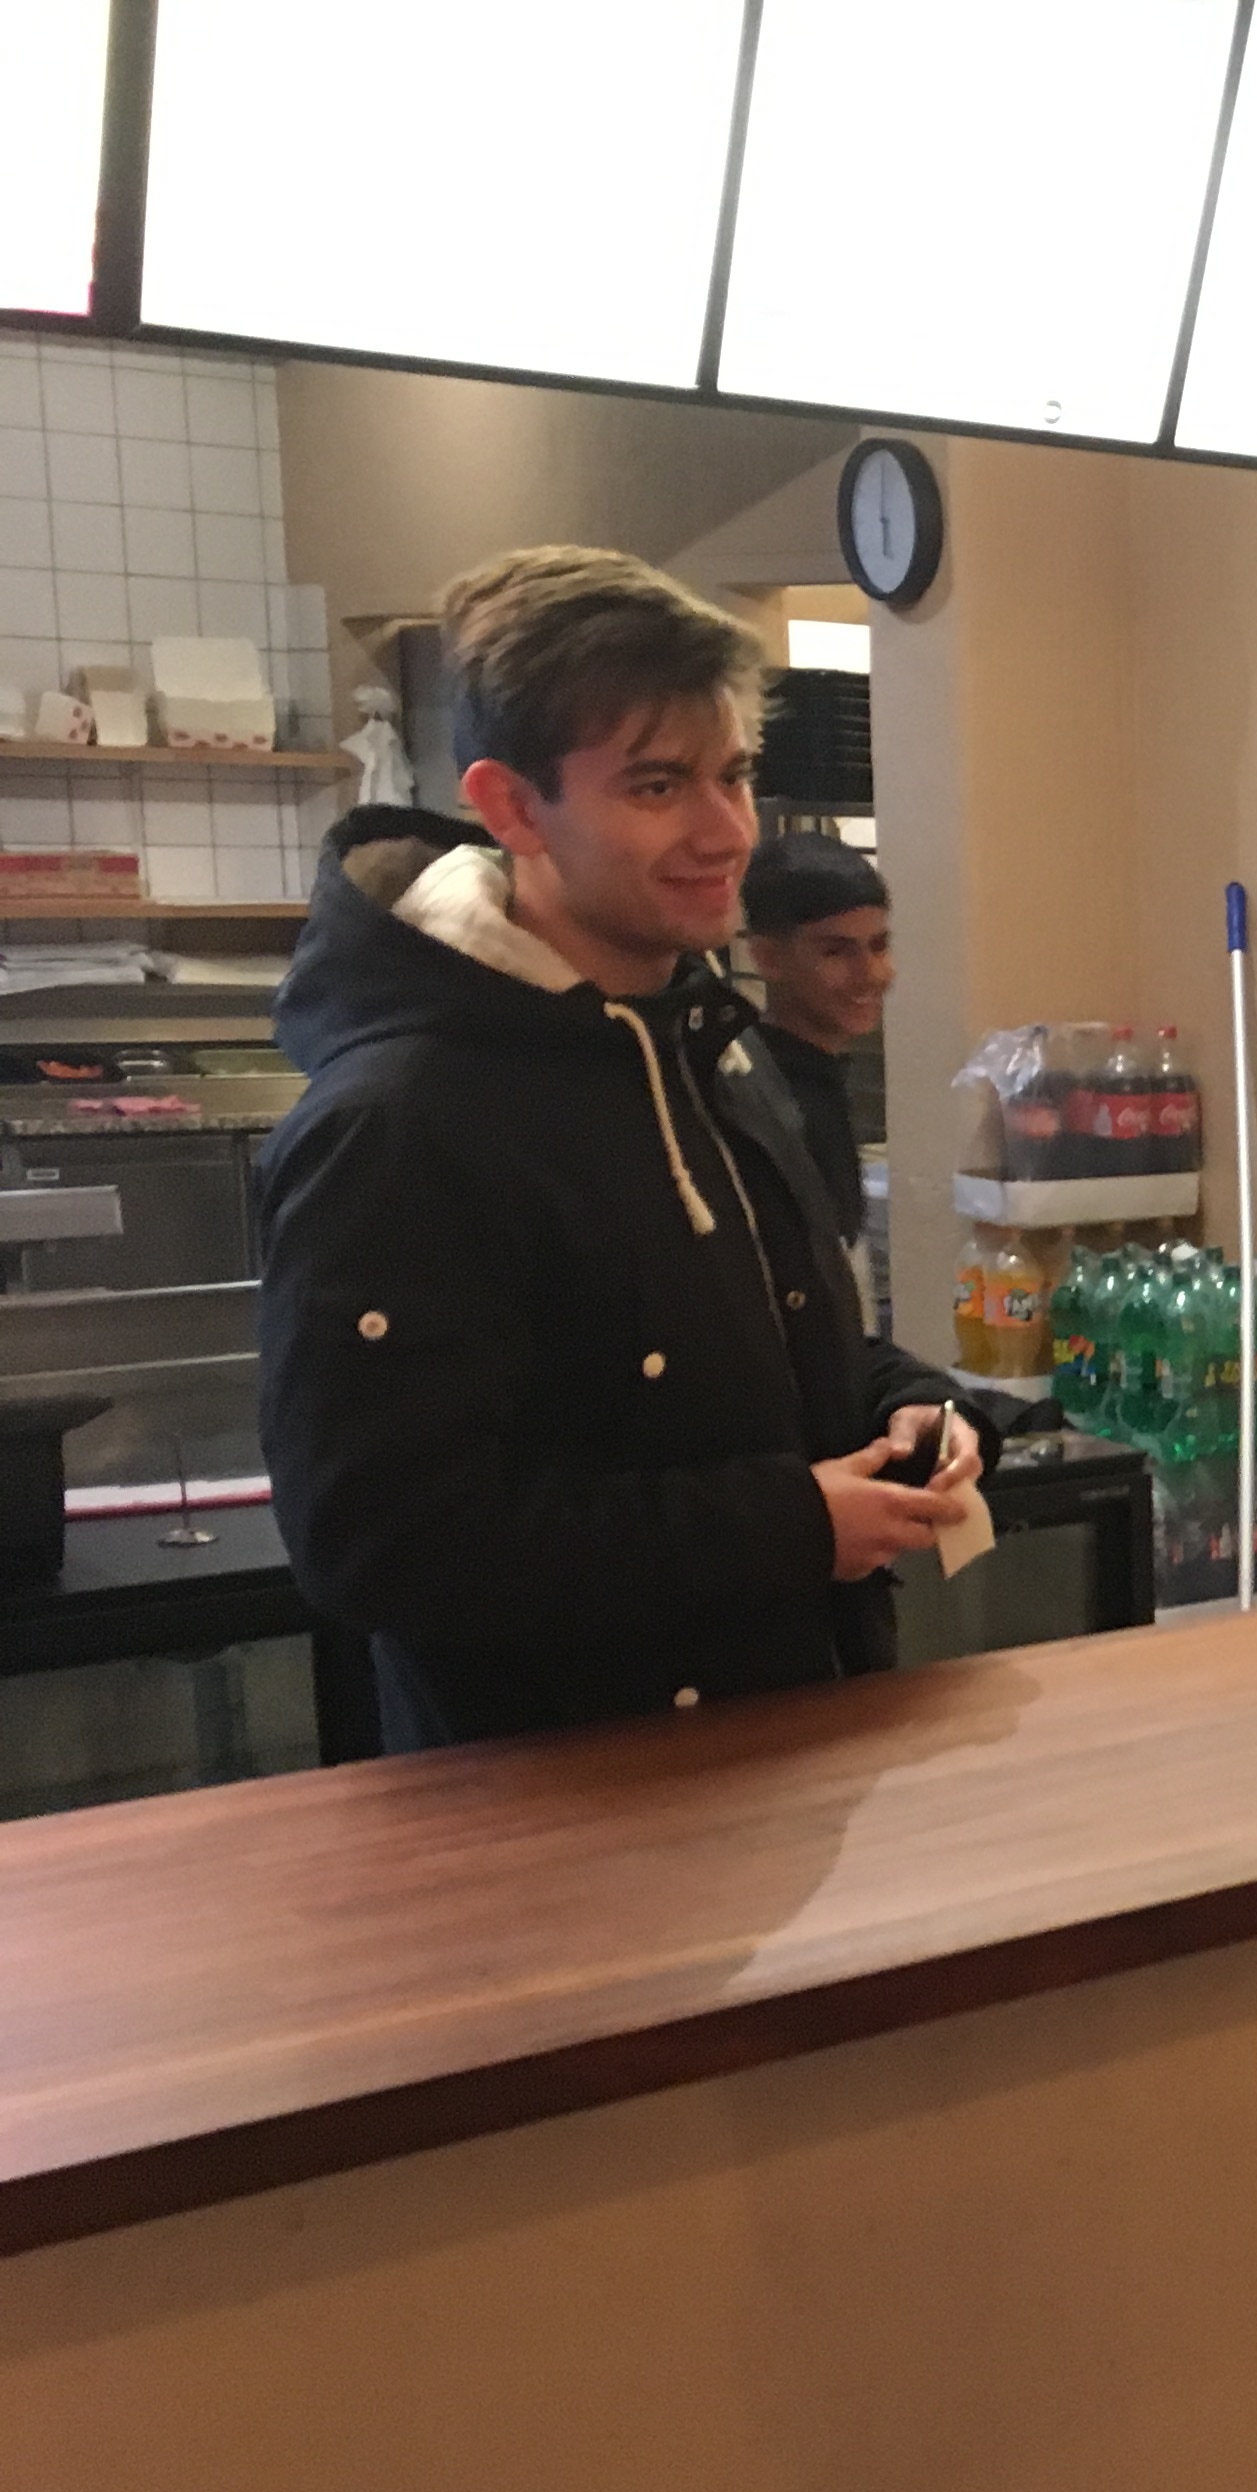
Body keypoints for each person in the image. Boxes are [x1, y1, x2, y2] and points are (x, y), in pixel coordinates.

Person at [257, 545, 977, 1755]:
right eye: (656, 785)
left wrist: (918, 1411)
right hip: (556, 1807)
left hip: (793, 1758)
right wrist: (793, 1526)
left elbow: (767, 1340)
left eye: (733, 774)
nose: (726, 830)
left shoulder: (706, 1044)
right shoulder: (396, 1123)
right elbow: (383, 1543)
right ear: (509, 806)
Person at [731, 827, 889, 1225]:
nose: (870, 973)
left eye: (879, 946)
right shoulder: (763, 1098)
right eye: (836, 951)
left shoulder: (817, 1077)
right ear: (767, 958)